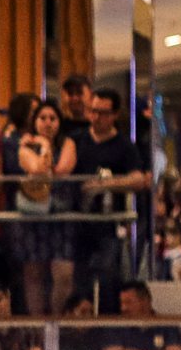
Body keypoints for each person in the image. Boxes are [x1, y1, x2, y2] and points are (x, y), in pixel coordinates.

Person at [70, 89, 149, 308]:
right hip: (79, 221)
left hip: (108, 222)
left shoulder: (124, 146)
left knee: (108, 278)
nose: (96, 117)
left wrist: (105, 184)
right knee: (79, 281)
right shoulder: (77, 139)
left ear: (115, 115)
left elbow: (138, 180)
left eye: (103, 113)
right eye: (93, 111)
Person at [13, 99, 77, 315]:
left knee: (63, 274)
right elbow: (39, 169)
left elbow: (62, 170)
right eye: (43, 118)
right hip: (35, 213)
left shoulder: (68, 143)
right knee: (34, 275)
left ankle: (57, 323)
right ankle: (38, 329)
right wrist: (45, 146)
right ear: (35, 121)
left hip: (61, 215)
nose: (48, 123)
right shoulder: (24, 147)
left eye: (53, 118)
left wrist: (44, 150)